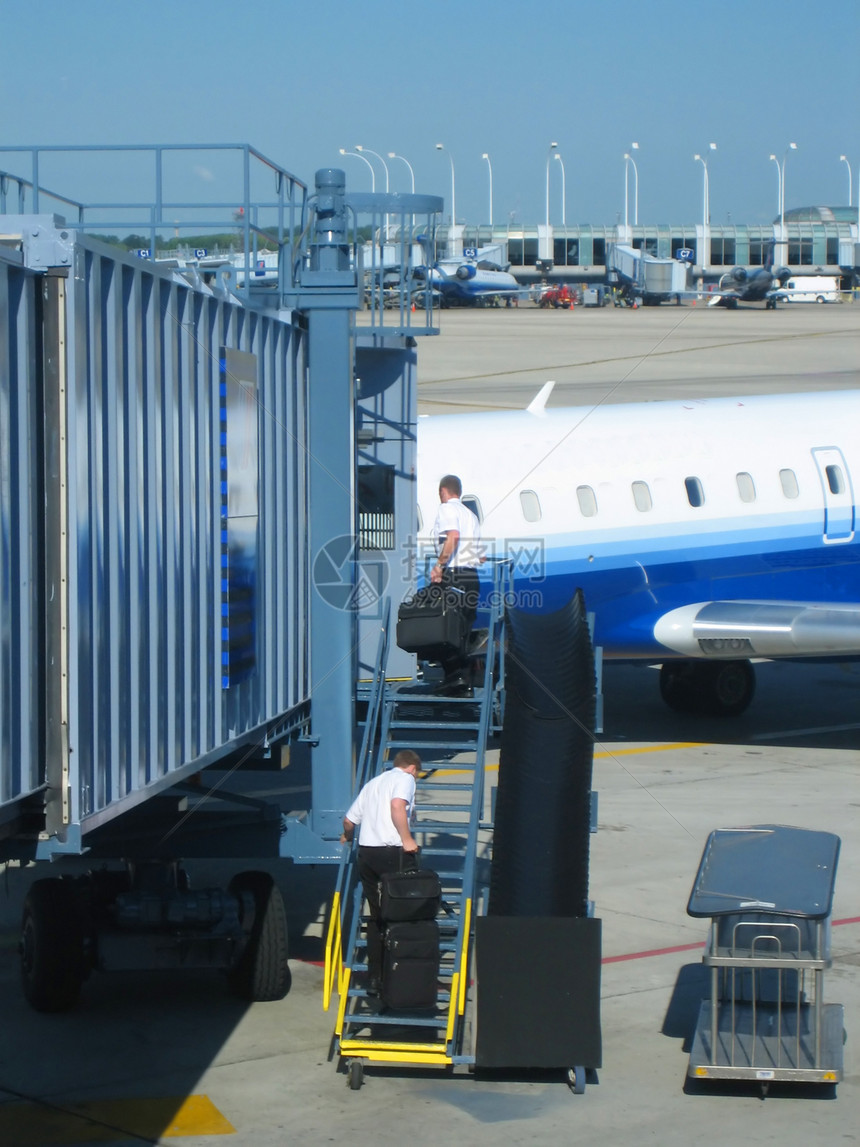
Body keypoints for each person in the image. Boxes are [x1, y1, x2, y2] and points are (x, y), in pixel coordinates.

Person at [340, 749, 422, 996]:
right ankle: (402, 972)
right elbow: (397, 806)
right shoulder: (405, 779)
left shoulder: (372, 784)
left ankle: (376, 977)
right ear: (412, 768)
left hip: (367, 854)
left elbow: (349, 821)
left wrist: (347, 836)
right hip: (392, 852)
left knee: (377, 916)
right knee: (404, 911)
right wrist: (407, 839)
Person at [430, 474, 482, 694]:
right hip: (471, 577)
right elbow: (478, 554)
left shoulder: (447, 509)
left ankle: (455, 676)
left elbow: (452, 537)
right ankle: (461, 679)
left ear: (443, 491)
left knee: (443, 627)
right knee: (462, 628)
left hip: (455, 576)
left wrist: (439, 566)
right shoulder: (471, 515)